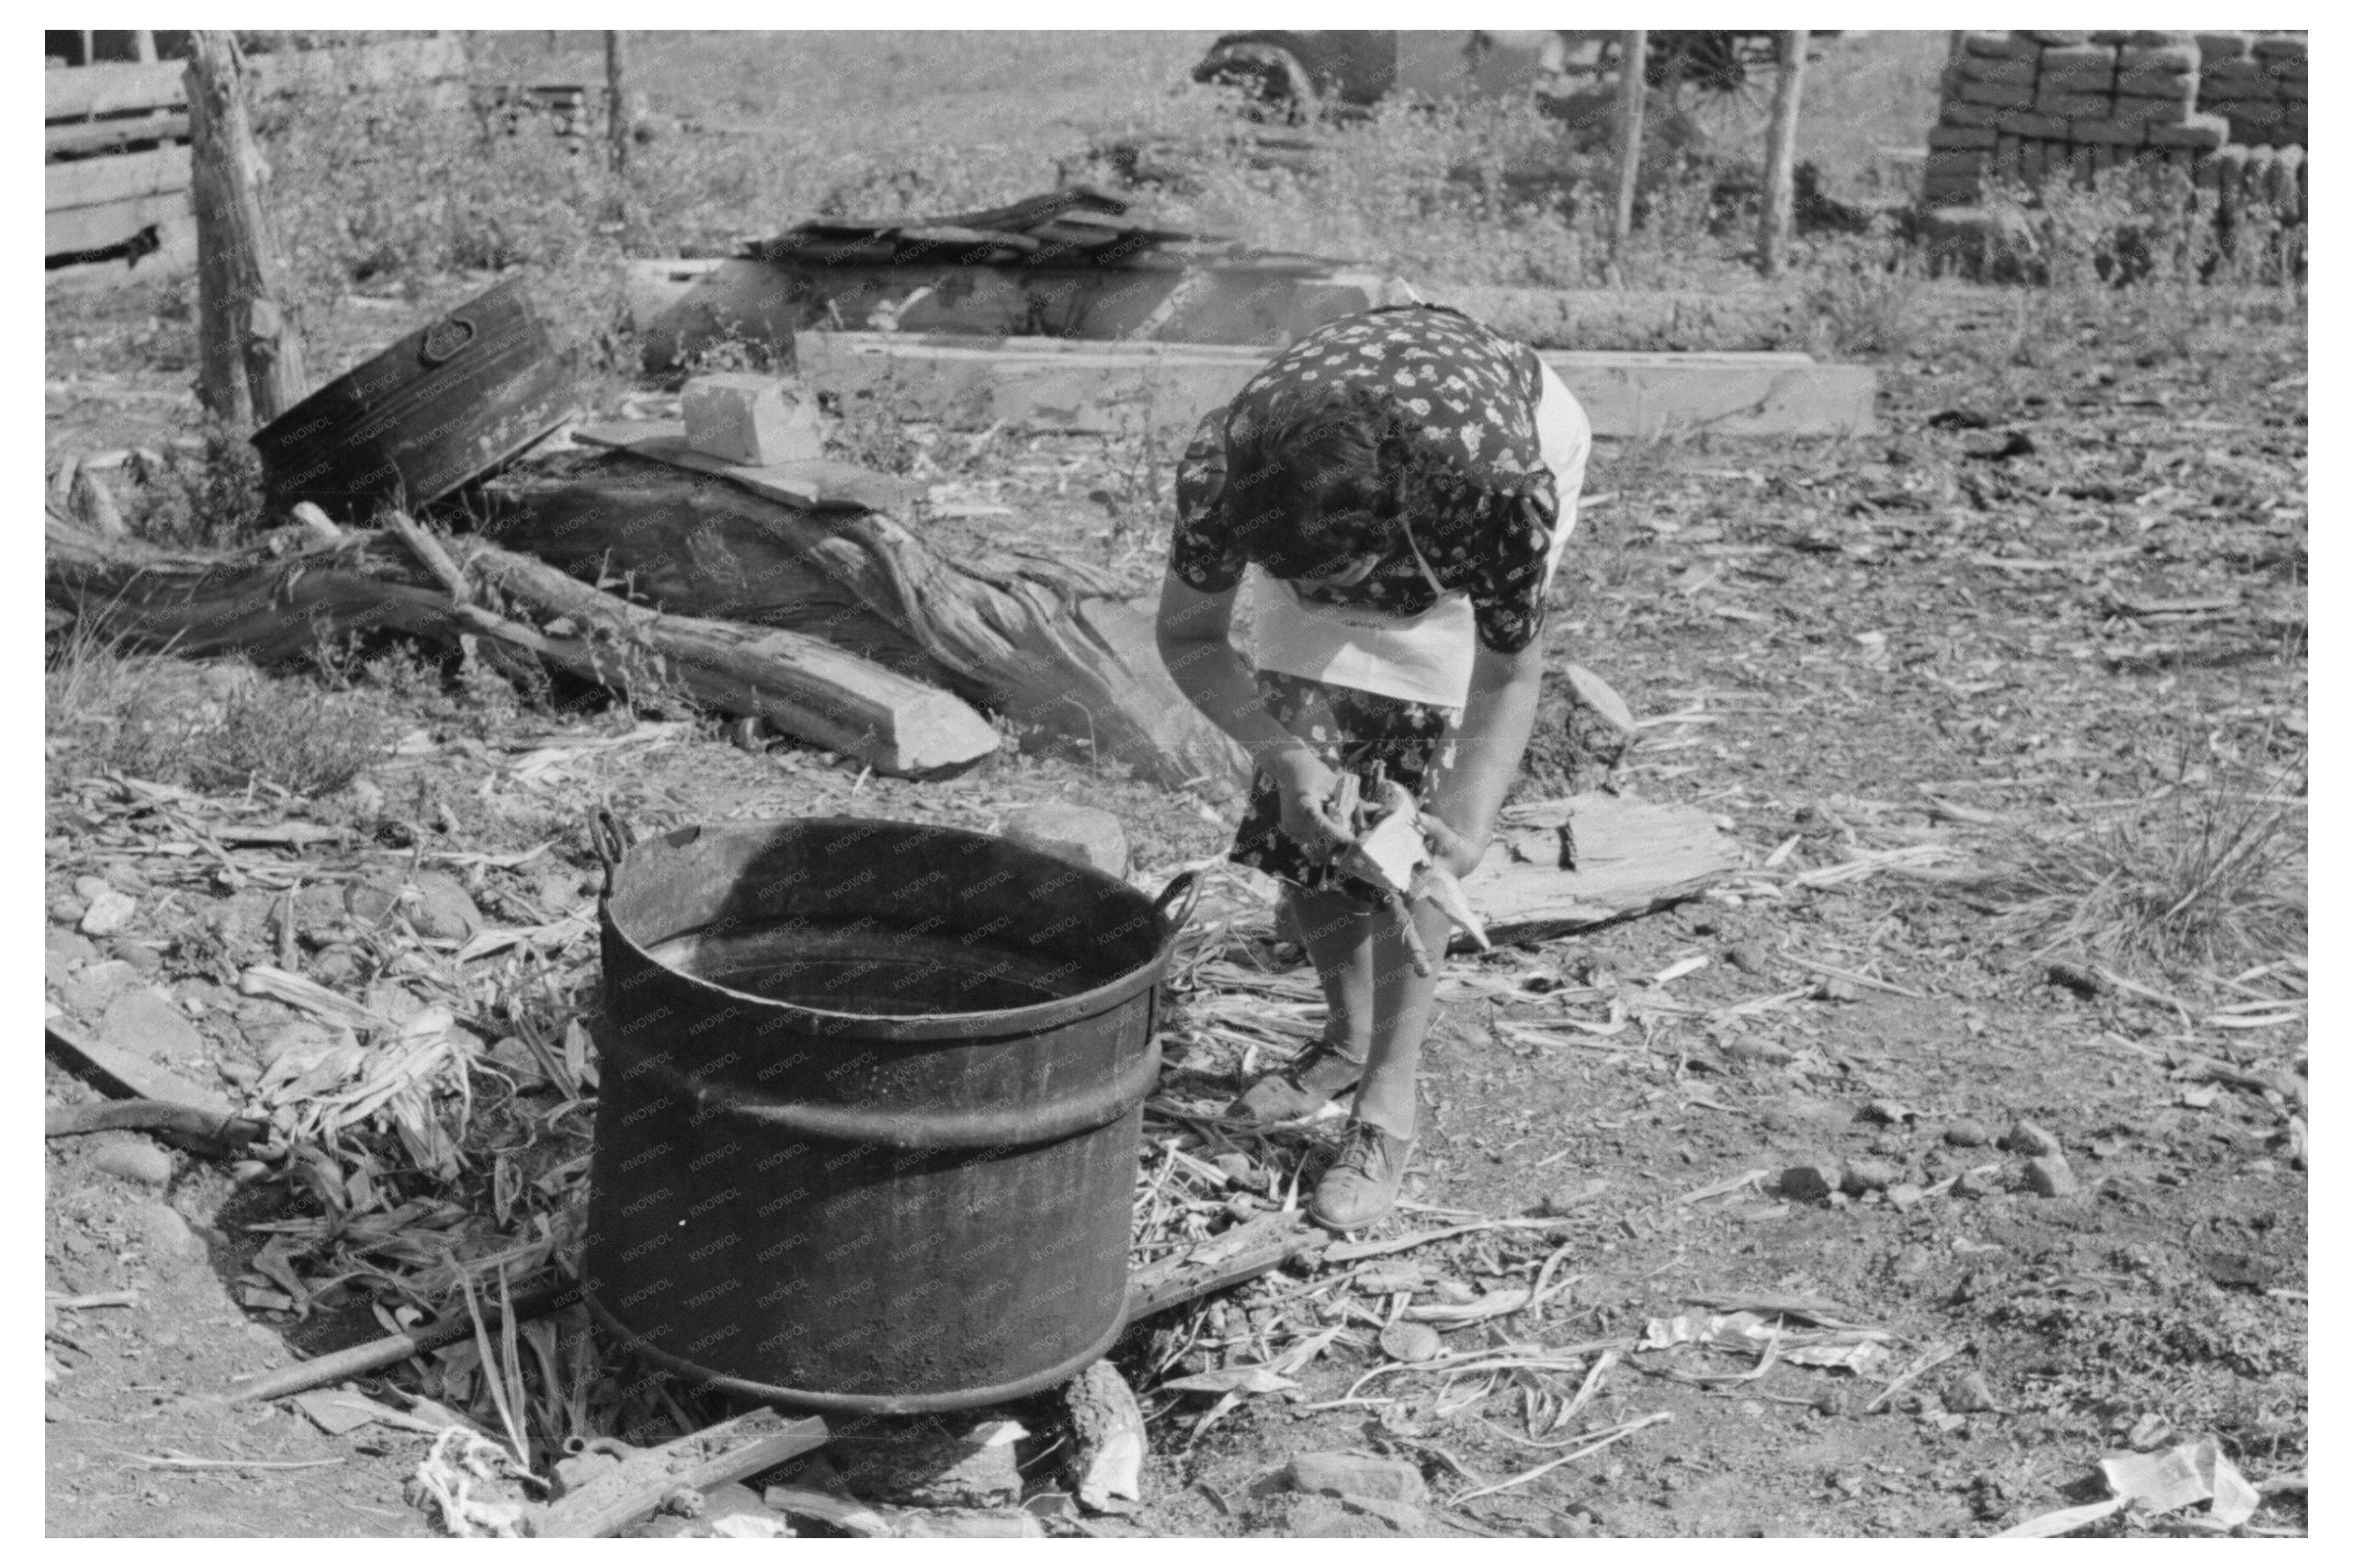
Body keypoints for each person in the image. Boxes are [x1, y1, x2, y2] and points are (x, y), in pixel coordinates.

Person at [1154, 304, 1591, 1231]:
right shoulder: (1227, 474)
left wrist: (1462, 832)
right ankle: (1349, 1039)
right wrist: (1285, 750)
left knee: (1410, 824)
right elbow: (1191, 638)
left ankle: (1389, 1102)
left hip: (1479, 449)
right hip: (1335, 485)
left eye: (1338, 587)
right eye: (1296, 585)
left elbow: (1507, 676)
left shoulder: (1500, 496)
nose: (1320, 606)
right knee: (1304, 805)